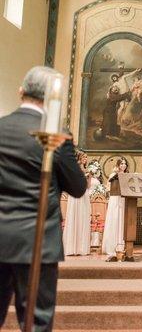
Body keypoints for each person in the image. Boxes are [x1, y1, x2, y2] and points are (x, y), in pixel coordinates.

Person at [0, 66, 87, 331]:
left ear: (21, 91)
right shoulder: (56, 137)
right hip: (38, 242)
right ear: (50, 99)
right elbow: (77, 187)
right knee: (37, 321)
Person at [62, 149, 96, 256]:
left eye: (86, 157)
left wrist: (89, 177)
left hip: (84, 195)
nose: (86, 159)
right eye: (84, 157)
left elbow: (88, 186)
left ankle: (81, 248)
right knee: (74, 217)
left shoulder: (87, 170)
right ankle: (72, 247)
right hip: (75, 194)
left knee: (83, 218)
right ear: (79, 158)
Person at [102, 157, 128, 260]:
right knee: (115, 220)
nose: (123, 165)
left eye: (125, 164)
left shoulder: (126, 176)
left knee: (121, 221)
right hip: (115, 199)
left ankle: (121, 246)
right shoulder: (113, 175)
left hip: (123, 199)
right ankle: (112, 245)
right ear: (117, 165)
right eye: (121, 164)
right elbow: (108, 187)